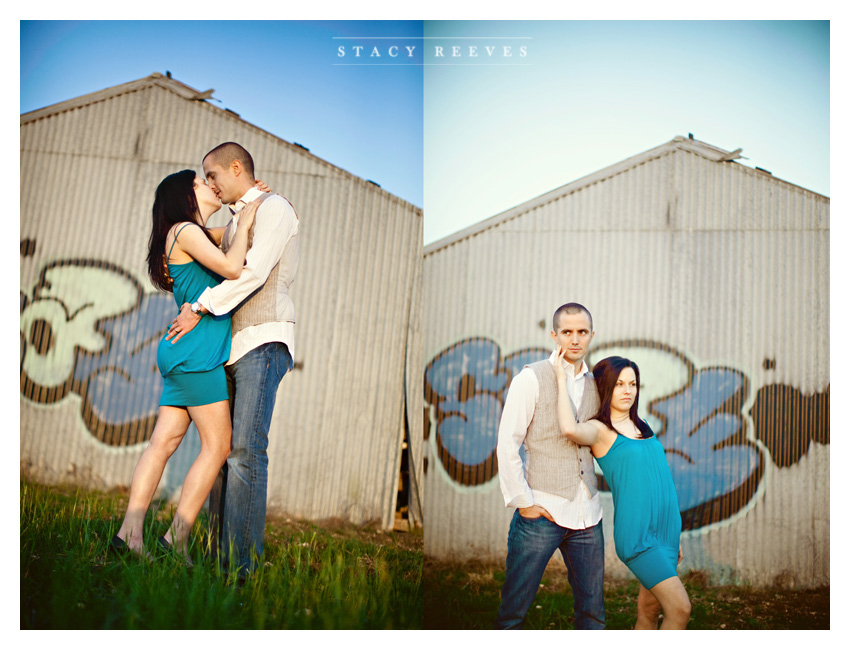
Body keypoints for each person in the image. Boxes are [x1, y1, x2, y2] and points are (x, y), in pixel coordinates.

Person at [111, 169, 260, 561]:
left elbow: (226, 238)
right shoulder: (184, 230)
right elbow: (232, 267)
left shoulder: (187, 234)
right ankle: (177, 539)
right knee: (218, 445)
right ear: (183, 196)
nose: (209, 185)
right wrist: (245, 217)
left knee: (163, 443)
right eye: (198, 182)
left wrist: (244, 208)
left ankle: (130, 534)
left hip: (182, 349)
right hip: (196, 353)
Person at [166, 142, 299, 576]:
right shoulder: (238, 217)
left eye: (213, 175)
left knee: (245, 451)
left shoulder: (275, 208)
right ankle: (219, 556)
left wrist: (199, 306)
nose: (210, 184)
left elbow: (254, 272)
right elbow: (214, 254)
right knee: (223, 452)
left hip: (262, 341)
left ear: (235, 167)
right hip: (230, 348)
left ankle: (240, 569)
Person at [554, 353, 691, 630]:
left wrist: (673, 536)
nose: (627, 391)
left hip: (665, 533)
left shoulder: (642, 426)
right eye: (619, 384)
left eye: (632, 383)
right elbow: (568, 429)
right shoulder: (600, 430)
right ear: (605, 387)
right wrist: (559, 377)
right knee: (680, 608)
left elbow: (659, 478)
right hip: (639, 536)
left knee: (649, 613)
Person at [494, 302, 605, 629]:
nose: (575, 339)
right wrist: (524, 503)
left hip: (589, 516)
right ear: (555, 335)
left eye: (582, 332)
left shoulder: (598, 382)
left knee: (593, 614)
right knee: (514, 612)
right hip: (542, 512)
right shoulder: (531, 378)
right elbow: (507, 442)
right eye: (567, 332)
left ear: (591, 335)